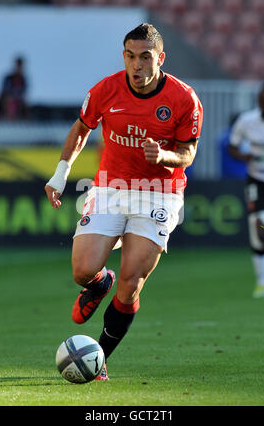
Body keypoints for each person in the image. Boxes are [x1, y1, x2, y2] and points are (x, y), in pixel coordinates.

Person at [45, 23, 203, 380]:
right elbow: (82, 127)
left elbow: (188, 152)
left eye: (145, 57)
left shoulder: (183, 98)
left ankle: (99, 359)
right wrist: (60, 173)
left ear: (160, 58)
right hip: (110, 188)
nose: (137, 65)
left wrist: (164, 156)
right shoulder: (107, 89)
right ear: (124, 57)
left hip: (159, 192)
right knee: (82, 270)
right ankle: (100, 282)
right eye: (131, 56)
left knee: (131, 282)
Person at [229, 81, 264, 299]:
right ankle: (262, 282)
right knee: (258, 225)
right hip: (257, 179)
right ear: (259, 102)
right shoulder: (247, 121)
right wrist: (244, 156)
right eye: (263, 102)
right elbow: (233, 147)